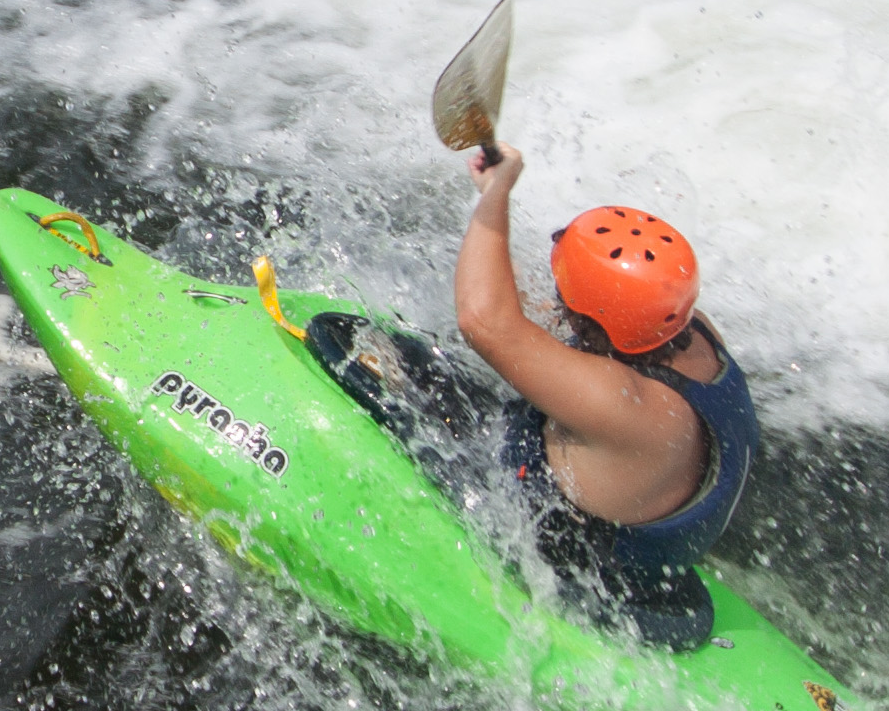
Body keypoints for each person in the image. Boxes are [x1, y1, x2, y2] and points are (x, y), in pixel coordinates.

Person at [312, 144, 759, 653]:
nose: (558, 299)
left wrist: (496, 191)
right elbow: (534, 318)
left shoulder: (622, 402)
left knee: (386, 375)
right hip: (649, 557)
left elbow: (483, 322)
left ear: (595, 325)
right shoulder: (692, 334)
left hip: (579, 566)